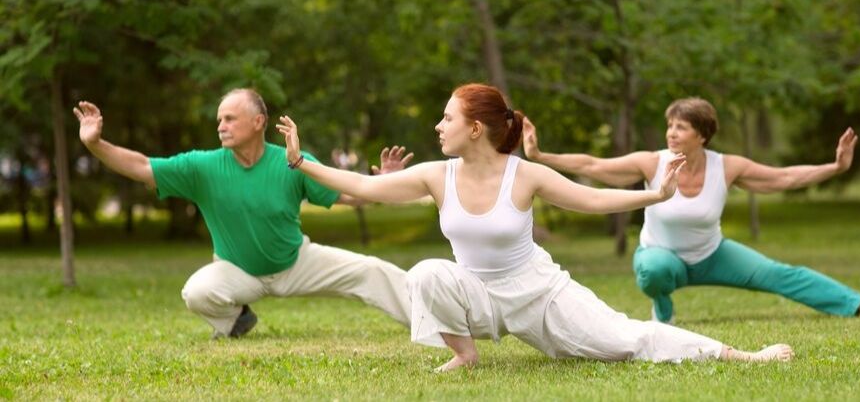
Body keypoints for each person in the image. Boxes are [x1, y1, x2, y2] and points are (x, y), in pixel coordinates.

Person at [276, 83, 793, 372]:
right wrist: (301, 162)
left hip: (539, 294)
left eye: (446, 118)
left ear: (474, 128)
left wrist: (654, 194)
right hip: (478, 293)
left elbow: (591, 198)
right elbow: (363, 188)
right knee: (426, 273)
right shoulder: (436, 176)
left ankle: (738, 354)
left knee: (624, 342)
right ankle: (465, 355)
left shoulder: (524, 175)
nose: (438, 126)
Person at [522, 96, 860, 324]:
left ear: (702, 135)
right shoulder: (650, 162)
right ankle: (663, 308)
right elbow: (593, 165)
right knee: (656, 271)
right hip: (663, 257)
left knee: (783, 274)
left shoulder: (727, 167)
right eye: (670, 125)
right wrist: (540, 155)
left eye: (682, 127)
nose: (672, 132)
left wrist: (837, 168)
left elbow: (784, 178)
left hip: (712, 254)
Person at [73, 88, 413, 338]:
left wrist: (382, 183)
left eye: (230, 118)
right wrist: (95, 144)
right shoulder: (202, 167)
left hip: (297, 262)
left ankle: (430, 320)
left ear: (258, 121)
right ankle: (237, 320)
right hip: (237, 271)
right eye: (220, 119)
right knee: (197, 292)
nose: (221, 125)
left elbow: (347, 194)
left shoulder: (292, 161)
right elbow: (143, 167)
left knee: (371, 269)